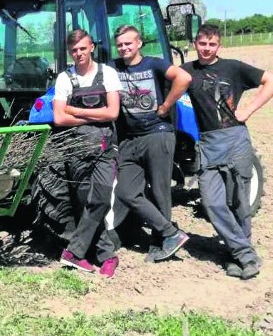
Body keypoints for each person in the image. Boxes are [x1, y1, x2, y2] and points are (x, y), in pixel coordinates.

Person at [181, 24, 273, 280]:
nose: (207, 48)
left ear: (218, 46)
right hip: (208, 143)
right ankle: (246, 254)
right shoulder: (187, 71)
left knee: (239, 202)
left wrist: (248, 110)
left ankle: (235, 257)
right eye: (202, 43)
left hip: (235, 140)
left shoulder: (233, 68)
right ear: (196, 43)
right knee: (211, 203)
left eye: (212, 44)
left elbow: (270, 81)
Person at [111, 25, 192, 262]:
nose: (124, 48)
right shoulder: (114, 67)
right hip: (130, 138)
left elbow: (184, 77)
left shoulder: (154, 64)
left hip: (157, 133)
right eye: (120, 44)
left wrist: (166, 106)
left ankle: (160, 243)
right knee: (126, 192)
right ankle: (171, 233)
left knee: (159, 192)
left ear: (139, 44)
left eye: (128, 43)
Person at [53, 30, 122, 278]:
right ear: (70, 52)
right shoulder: (64, 78)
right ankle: (107, 255)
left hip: (104, 149)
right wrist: (96, 113)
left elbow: (113, 113)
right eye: (74, 50)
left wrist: (74, 110)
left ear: (91, 46)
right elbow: (59, 118)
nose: (79, 54)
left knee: (101, 199)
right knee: (85, 204)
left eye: (83, 48)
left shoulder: (108, 74)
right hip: (77, 151)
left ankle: (73, 252)